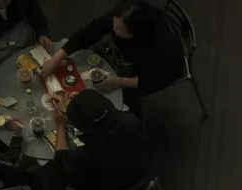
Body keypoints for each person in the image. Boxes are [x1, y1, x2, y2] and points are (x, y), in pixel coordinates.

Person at [40, 0, 186, 115]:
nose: (114, 30)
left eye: (119, 29)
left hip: (151, 73)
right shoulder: (125, 15)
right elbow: (89, 32)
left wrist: (118, 82)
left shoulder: (163, 48)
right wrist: (56, 59)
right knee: (83, 63)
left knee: (116, 104)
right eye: (114, 24)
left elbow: (154, 81)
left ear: (136, 32)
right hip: (125, 55)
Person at [50, 88, 150, 190]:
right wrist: (86, 103)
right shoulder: (130, 120)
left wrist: (60, 125)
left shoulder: (85, 156)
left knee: (53, 180)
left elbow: (61, 161)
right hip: (143, 177)